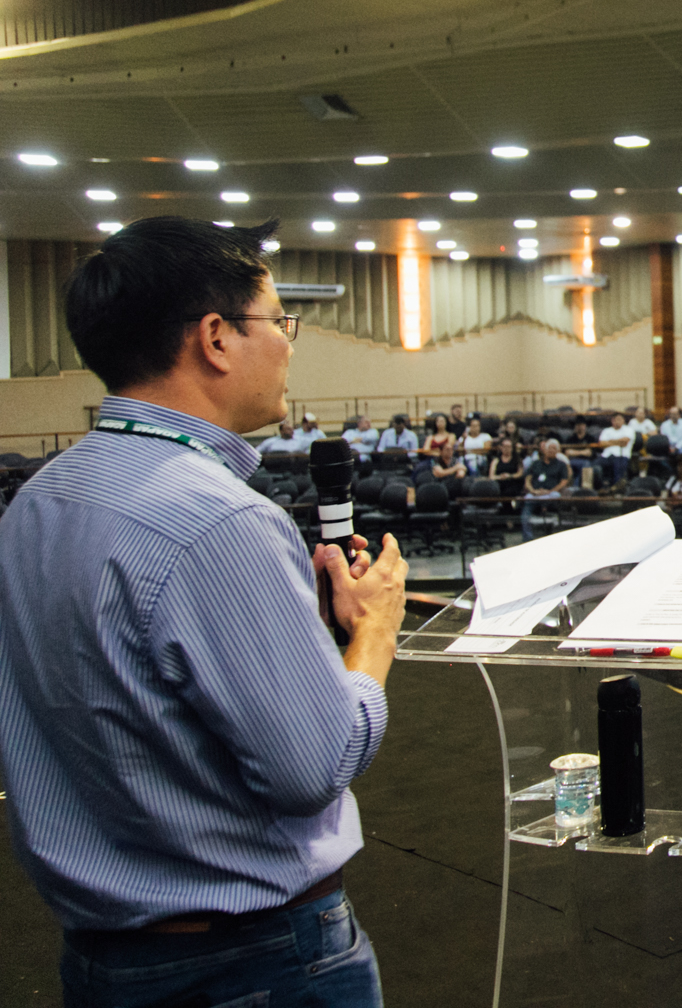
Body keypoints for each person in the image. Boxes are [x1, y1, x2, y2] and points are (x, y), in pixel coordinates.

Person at [0, 217, 406, 1007]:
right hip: (250, 961)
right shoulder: (219, 520)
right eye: (280, 321)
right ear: (216, 337)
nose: (289, 344)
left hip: (103, 955)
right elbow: (314, 764)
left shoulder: (37, 503)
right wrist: (374, 634)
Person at [520, 437, 571, 538]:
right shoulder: (536, 464)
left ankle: (548, 532)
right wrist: (533, 490)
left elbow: (563, 482)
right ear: (544, 450)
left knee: (553, 497)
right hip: (535, 493)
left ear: (557, 451)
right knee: (526, 505)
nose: (551, 450)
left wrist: (549, 491)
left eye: (554, 448)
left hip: (551, 494)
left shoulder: (561, 465)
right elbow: (528, 479)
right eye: (549, 448)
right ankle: (527, 538)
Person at [597, 412, 636, 486]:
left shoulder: (629, 430)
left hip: (621, 455)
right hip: (606, 456)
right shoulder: (606, 430)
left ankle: (617, 490)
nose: (617, 421)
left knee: (618, 467)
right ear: (612, 421)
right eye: (615, 420)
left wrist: (610, 441)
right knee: (593, 466)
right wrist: (617, 442)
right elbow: (602, 444)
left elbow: (624, 442)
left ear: (623, 420)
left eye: (619, 419)